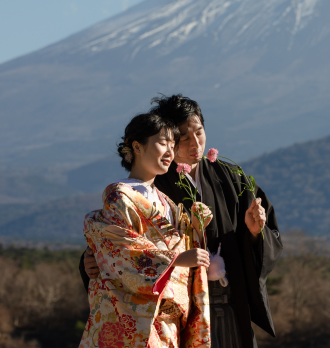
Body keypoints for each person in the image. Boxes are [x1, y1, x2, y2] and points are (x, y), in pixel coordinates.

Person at [82, 95, 282, 348]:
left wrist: (255, 233)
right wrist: (90, 260)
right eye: (182, 138)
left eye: (199, 132)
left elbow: (267, 238)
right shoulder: (154, 181)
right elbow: (118, 241)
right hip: (176, 314)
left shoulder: (232, 178)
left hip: (228, 302)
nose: (194, 143)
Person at [79, 112, 212, 348]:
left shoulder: (168, 203)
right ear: (137, 147)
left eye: (173, 144)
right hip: (134, 317)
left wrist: (195, 228)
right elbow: (121, 250)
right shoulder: (120, 195)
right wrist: (176, 259)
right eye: (162, 143)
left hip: (169, 322)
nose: (170, 152)